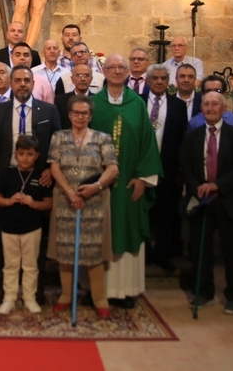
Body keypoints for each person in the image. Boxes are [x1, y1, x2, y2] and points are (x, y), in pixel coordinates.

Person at [0, 65, 62, 305]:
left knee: (35, 234)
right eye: (17, 80)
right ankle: (0, 286)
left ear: (33, 83)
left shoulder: (48, 109)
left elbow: (57, 142)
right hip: (6, 177)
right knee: (1, 233)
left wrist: (50, 168)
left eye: (26, 80)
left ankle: (35, 288)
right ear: (10, 82)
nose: (22, 84)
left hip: (39, 177)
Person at [89, 54, 163, 308]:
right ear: (104, 71)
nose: (117, 71)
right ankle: (97, 291)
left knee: (128, 231)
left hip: (130, 184)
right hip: (99, 187)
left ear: (128, 71)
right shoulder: (93, 103)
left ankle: (127, 290)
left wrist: (143, 178)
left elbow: (147, 143)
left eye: (122, 67)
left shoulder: (137, 105)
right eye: (112, 67)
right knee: (98, 235)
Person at [179, 91, 233, 315]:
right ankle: (204, 292)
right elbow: (184, 166)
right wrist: (196, 186)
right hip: (201, 199)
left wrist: (217, 185)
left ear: (224, 108)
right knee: (201, 248)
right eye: (206, 104)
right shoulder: (192, 135)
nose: (210, 108)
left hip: (228, 198)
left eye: (215, 104)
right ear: (201, 108)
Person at [48, 95, 119, 318]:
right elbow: (55, 167)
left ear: (90, 116)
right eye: (76, 113)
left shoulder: (102, 138)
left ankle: (100, 298)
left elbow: (112, 169)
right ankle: (66, 296)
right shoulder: (58, 137)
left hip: (95, 201)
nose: (80, 117)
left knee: (93, 249)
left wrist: (95, 187)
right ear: (69, 115)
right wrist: (70, 192)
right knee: (65, 248)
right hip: (65, 199)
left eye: (85, 113)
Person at [0, 136, 53, 315]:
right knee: (10, 265)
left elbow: (49, 203)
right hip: (9, 228)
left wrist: (34, 203)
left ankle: (30, 298)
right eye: (21, 154)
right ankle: (9, 298)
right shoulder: (7, 174)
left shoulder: (41, 177)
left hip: (32, 228)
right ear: (15, 155)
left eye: (29, 154)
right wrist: (10, 201)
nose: (25, 158)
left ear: (37, 156)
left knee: (30, 266)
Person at [141, 64, 188, 272]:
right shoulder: (138, 102)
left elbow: (183, 139)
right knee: (145, 213)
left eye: (163, 78)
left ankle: (163, 255)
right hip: (143, 169)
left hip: (168, 169)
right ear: (148, 81)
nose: (159, 82)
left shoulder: (178, 105)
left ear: (168, 82)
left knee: (166, 215)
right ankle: (144, 254)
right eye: (155, 78)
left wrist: (180, 170)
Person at [55, 64, 94, 129]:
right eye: (79, 75)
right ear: (72, 79)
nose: (83, 79)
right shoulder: (60, 100)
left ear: (91, 79)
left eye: (87, 75)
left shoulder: (97, 100)